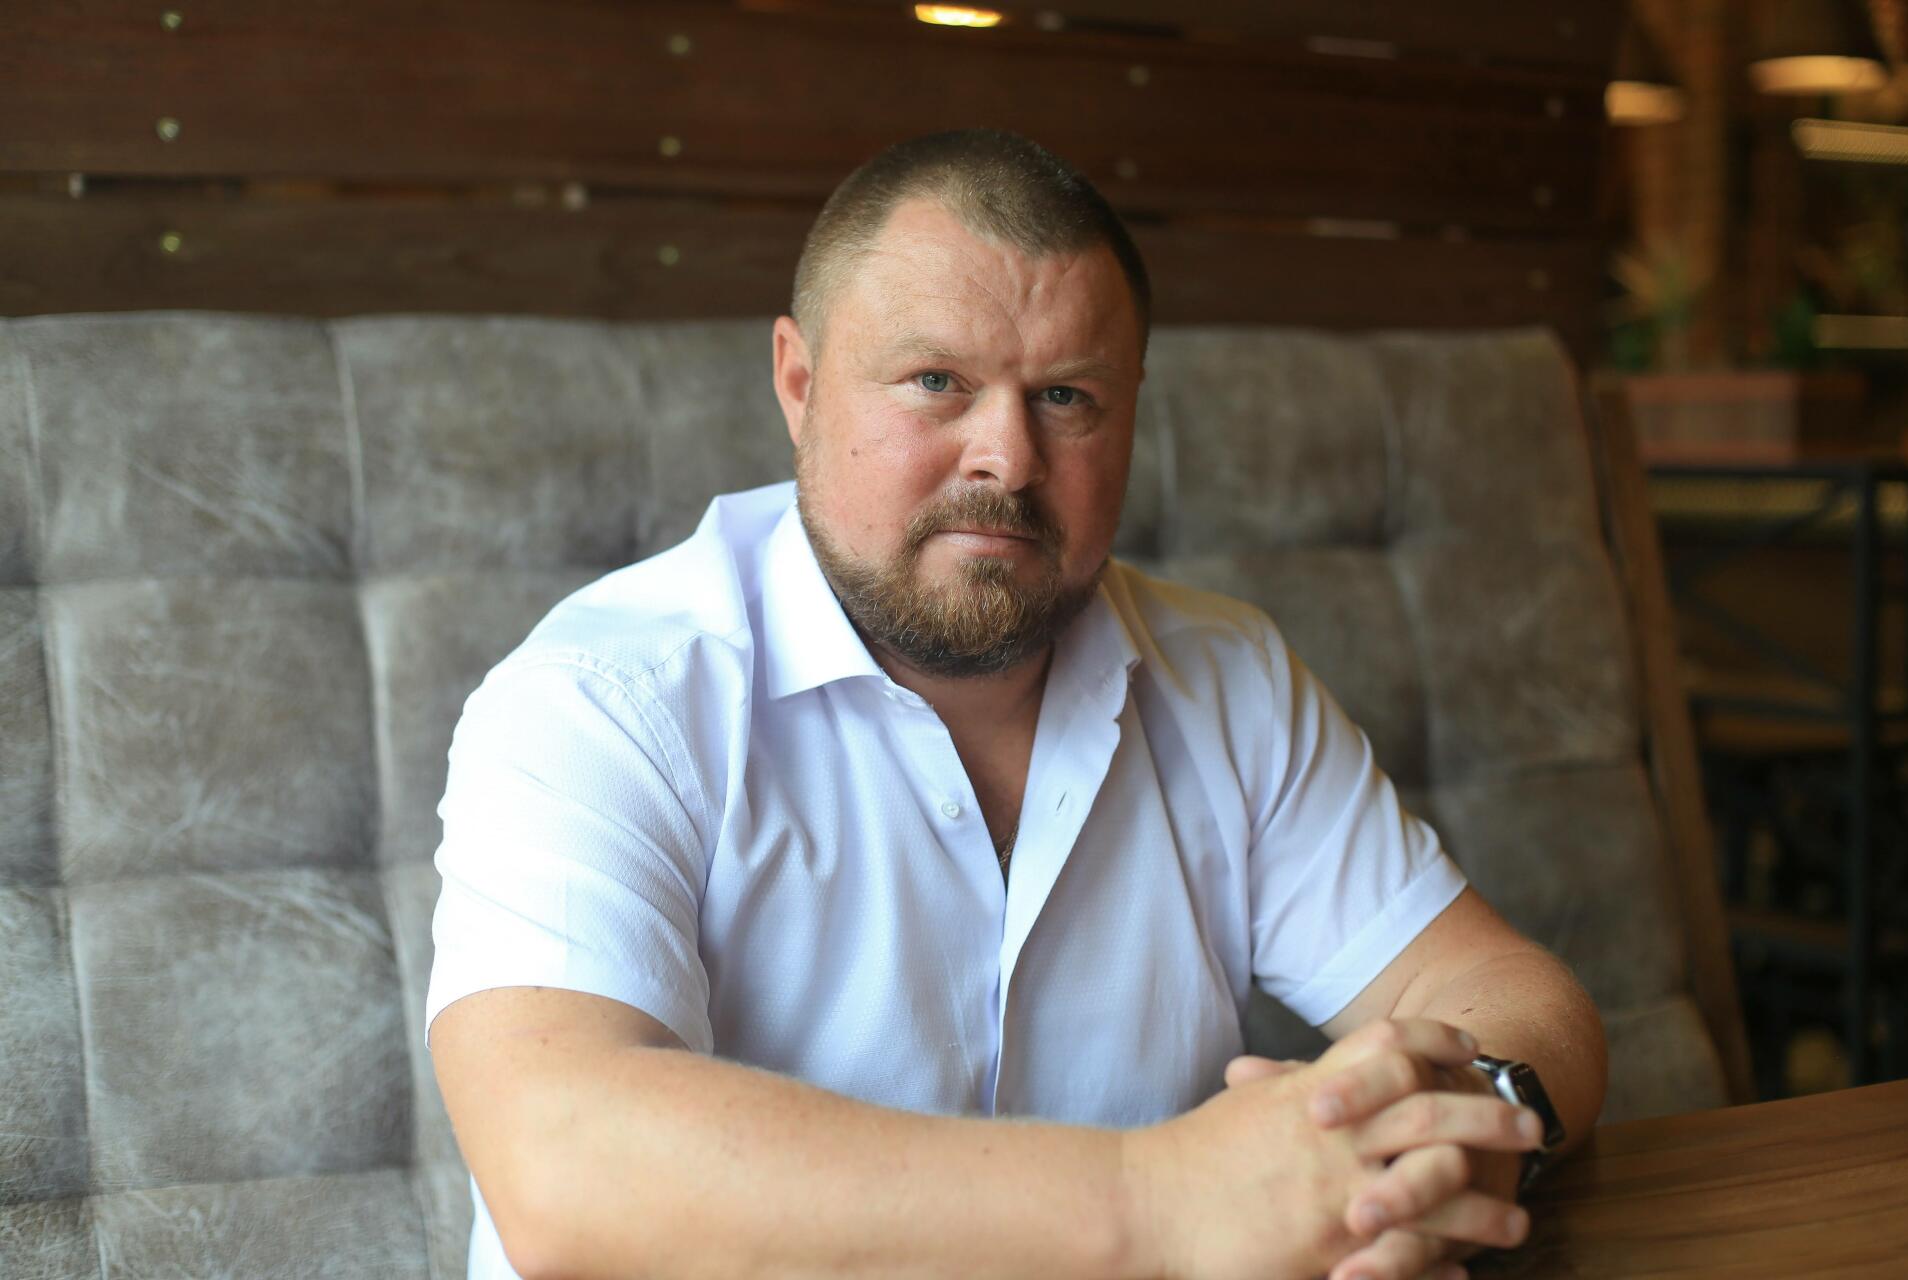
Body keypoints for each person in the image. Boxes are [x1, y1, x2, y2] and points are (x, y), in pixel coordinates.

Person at [425, 128, 1607, 1280]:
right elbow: (563, 1163)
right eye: (937, 382)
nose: (1008, 457)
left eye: (1068, 396)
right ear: (799, 381)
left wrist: (1452, 1138)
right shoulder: (601, 702)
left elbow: (1511, 993)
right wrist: (1166, 1200)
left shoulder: (1227, 675)